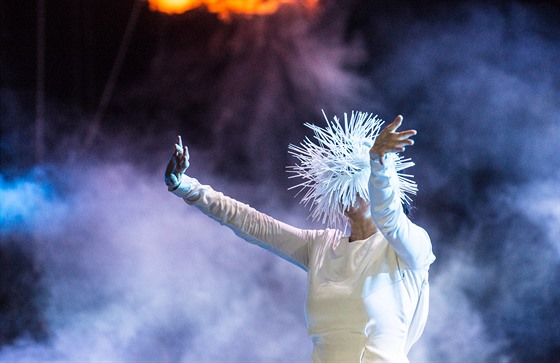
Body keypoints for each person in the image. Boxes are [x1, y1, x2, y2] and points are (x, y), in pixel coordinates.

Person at [165, 112, 435, 362]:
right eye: (339, 177)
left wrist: (378, 163)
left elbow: (388, 215)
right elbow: (253, 224)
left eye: (354, 176)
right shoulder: (321, 246)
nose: (345, 186)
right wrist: (186, 186)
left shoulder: (409, 249)